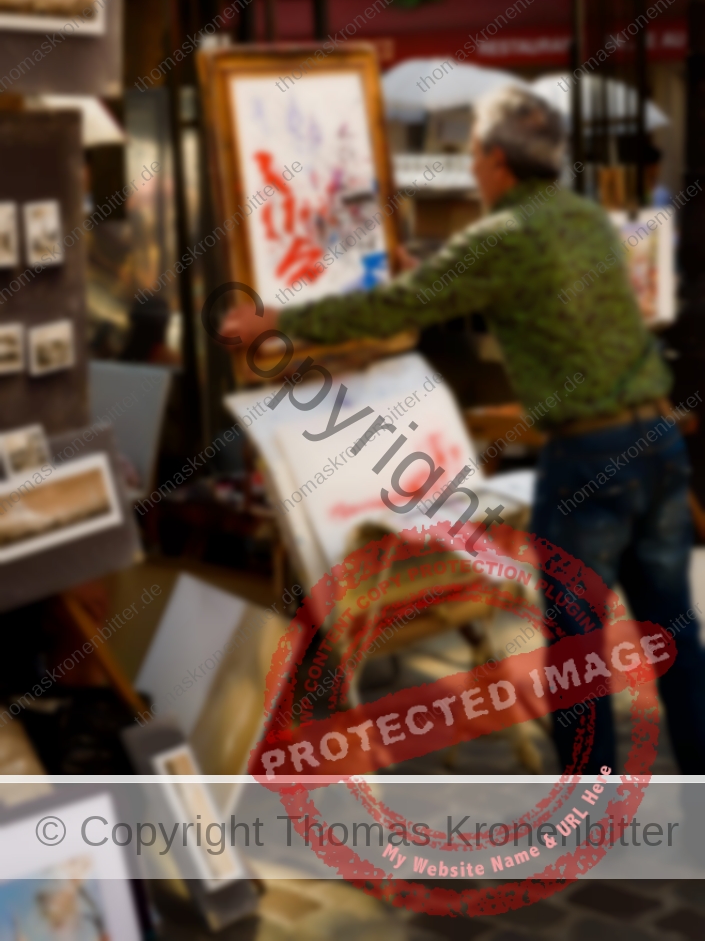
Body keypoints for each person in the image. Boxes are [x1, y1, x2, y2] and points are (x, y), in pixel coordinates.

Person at [219, 86, 705, 774]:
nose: (471, 167)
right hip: (654, 440)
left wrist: (277, 322)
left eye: (472, 154)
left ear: (497, 161)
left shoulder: (500, 238)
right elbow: (518, 296)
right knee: (672, 631)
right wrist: (439, 281)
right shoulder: (585, 219)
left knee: (575, 645)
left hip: (590, 453)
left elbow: (397, 303)